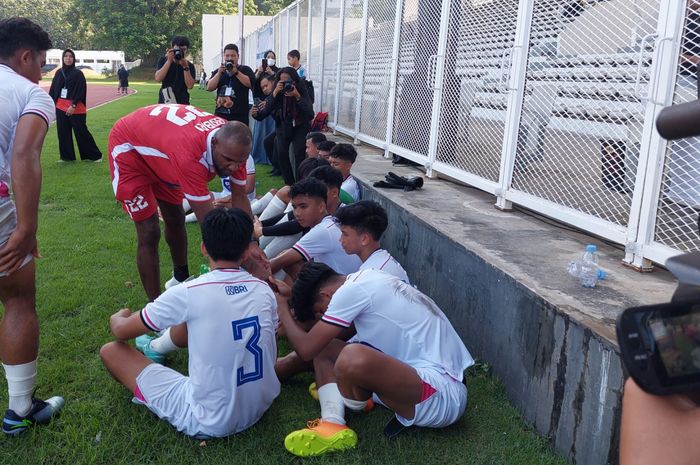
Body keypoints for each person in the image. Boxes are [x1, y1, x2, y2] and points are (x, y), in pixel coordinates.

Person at [100, 208, 280, 439]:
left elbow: (121, 331)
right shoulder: (264, 290)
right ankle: (157, 349)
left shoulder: (189, 292)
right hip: (261, 405)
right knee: (194, 319)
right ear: (246, 251)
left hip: (210, 421)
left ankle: (154, 356)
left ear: (204, 247)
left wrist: (120, 314)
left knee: (111, 351)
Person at [276, 263, 474, 456]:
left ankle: (347, 400)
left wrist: (282, 307)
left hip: (443, 394)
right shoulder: (368, 278)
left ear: (326, 294)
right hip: (429, 380)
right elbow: (321, 347)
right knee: (327, 348)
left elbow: (306, 350)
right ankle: (333, 420)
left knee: (351, 356)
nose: (324, 316)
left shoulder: (351, 292)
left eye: (321, 311)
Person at [108, 104, 260, 302]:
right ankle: (155, 308)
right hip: (130, 150)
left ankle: (180, 278)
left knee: (176, 217)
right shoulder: (191, 154)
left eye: (240, 162)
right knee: (149, 230)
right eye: (228, 160)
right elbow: (211, 225)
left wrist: (252, 243)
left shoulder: (234, 146)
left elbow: (240, 198)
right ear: (213, 143)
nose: (233, 167)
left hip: (163, 148)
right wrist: (249, 264)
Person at [0, 17, 65, 436]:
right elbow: (24, 156)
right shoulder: (29, 94)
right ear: (25, 56)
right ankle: (19, 409)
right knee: (19, 300)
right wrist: (26, 227)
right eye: (40, 63)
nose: (41, 72)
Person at [269, 178, 361, 278]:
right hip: (342, 281)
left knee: (287, 261)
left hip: (341, 287)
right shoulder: (329, 223)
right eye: (294, 207)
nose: (297, 213)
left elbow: (276, 264)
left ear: (321, 207)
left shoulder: (323, 230)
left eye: (303, 207)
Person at [256, 67, 314, 186]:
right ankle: (289, 184)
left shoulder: (301, 87)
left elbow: (310, 113)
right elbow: (265, 112)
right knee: (281, 153)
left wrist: (297, 96)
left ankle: (300, 184)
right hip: (283, 125)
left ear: (294, 80)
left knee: (299, 153)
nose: (285, 84)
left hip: (300, 125)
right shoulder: (277, 91)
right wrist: (275, 92)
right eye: (281, 81)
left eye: (288, 80)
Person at [48, 49, 102, 162]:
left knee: (81, 132)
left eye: (71, 56)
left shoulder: (78, 73)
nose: (68, 58)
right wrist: (51, 104)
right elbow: (53, 90)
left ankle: (94, 156)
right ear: (63, 58)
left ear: (74, 59)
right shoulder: (58, 73)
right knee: (63, 133)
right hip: (60, 107)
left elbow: (81, 91)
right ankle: (67, 157)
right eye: (66, 56)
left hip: (76, 108)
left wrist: (73, 106)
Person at [334, 201, 408, 281]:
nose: (340, 239)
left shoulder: (370, 276)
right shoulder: (384, 262)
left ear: (364, 239)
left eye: (345, 234)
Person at [207, 44, 255, 126]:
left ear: (238, 56)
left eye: (233, 56)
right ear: (224, 57)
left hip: (240, 115)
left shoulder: (245, 69)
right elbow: (209, 87)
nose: (230, 58)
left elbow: (250, 84)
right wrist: (219, 73)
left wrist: (236, 72)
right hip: (221, 114)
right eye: (227, 56)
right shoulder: (219, 71)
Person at [252, 74, 281, 173]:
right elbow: (262, 115)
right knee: (267, 141)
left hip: (289, 127)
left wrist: (268, 102)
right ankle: (276, 167)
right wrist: (255, 114)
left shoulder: (280, 93)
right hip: (280, 127)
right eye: (262, 87)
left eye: (266, 85)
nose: (264, 89)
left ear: (273, 83)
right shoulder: (269, 98)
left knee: (274, 142)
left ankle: (279, 169)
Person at [154, 36, 196, 104]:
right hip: (165, 100)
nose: (180, 52)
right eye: (178, 49)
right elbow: (158, 78)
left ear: (187, 50)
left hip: (182, 102)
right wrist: (169, 61)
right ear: (172, 48)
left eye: (183, 49)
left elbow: (190, 86)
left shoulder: (189, 65)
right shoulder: (164, 60)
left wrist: (185, 67)